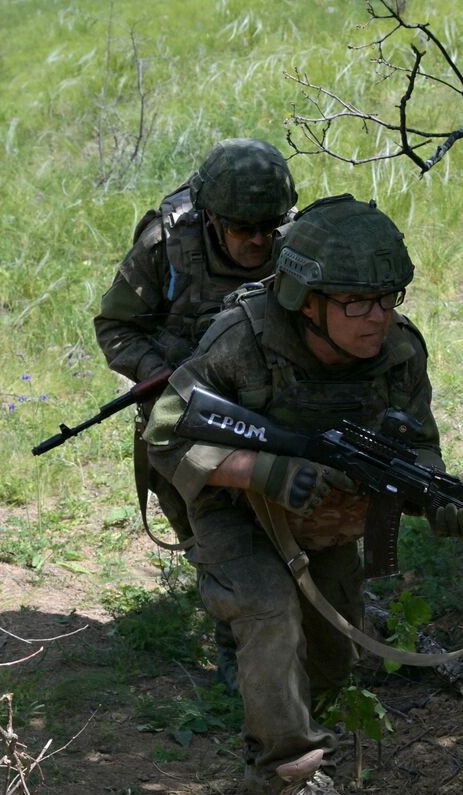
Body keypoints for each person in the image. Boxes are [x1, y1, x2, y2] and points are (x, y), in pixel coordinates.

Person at [140, 194, 463, 795]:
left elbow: (419, 444)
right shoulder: (242, 341)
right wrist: (259, 472)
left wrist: (438, 493)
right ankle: (294, 778)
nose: (377, 316)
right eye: (356, 302)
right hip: (232, 502)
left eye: (387, 297)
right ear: (307, 299)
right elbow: (164, 433)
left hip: (324, 514)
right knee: (269, 610)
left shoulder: (399, 353)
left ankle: (283, 720)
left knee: (331, 645)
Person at [93, 138, 297, 691]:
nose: (258, 241)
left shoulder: (295, 243)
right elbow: (115, 327)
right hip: (185, 419)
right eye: (241, 229)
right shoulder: (166, 245)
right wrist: (166, 372)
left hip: (272, 408)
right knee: (215, 537)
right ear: (210, 218)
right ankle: (237, 646)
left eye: (268, 227)